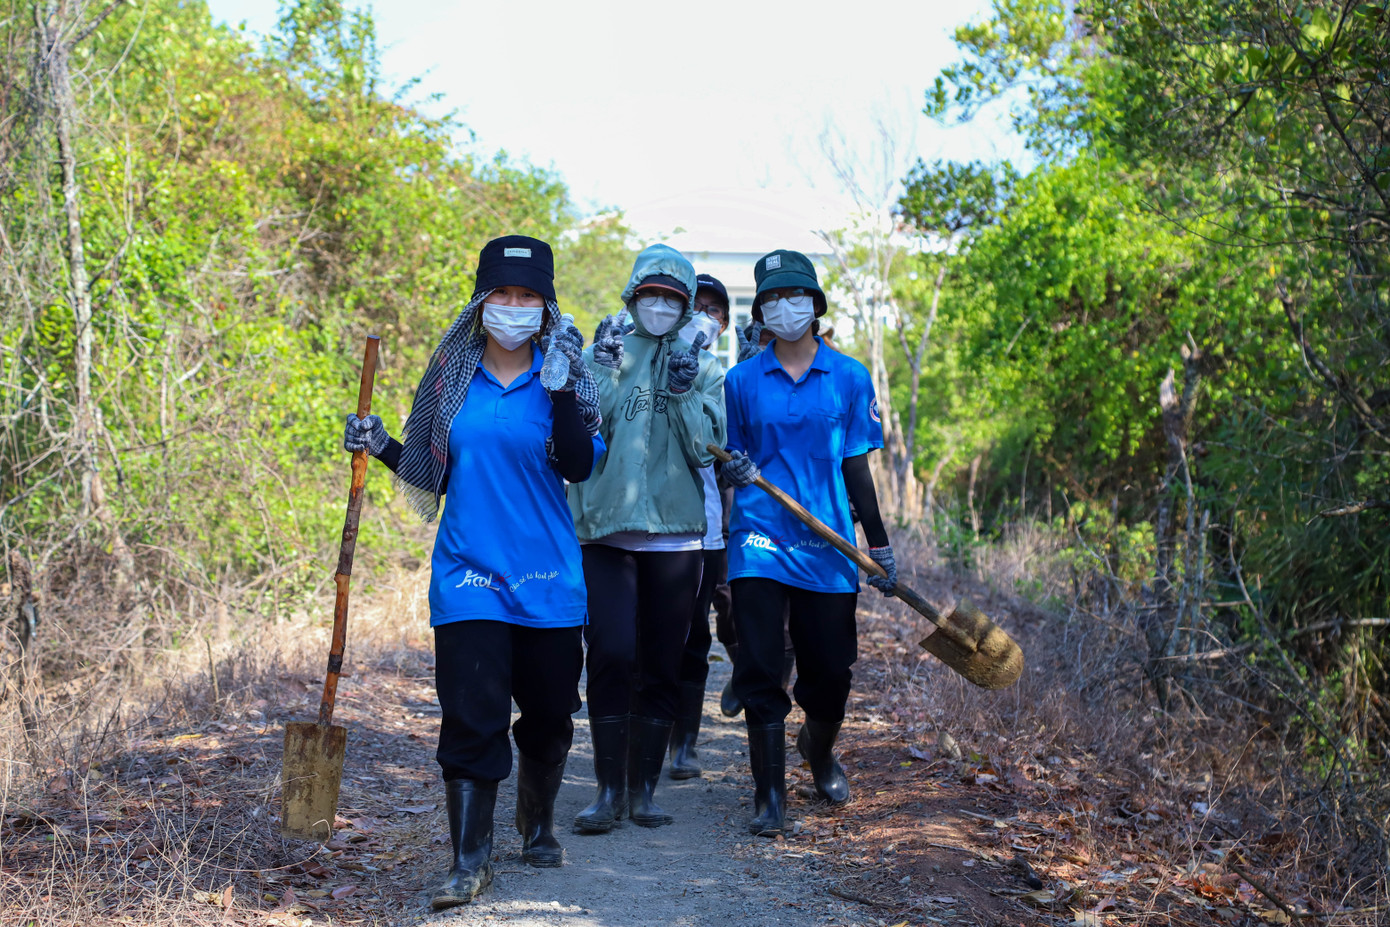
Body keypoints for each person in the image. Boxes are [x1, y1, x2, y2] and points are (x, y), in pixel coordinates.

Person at [342, 236, 604, 909]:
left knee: (548, 714)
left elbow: (578, 464)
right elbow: (434, 470)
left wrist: (567, 388)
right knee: (470, 716)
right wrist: (379, 442)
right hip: (468, 576)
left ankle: (537, 821)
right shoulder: (451, 377)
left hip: (548, 582)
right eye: (502, 294)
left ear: (545, 306)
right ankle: (468, 860)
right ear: (482, 300)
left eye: (528, 297)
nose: (513, 307)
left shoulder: (567, 372)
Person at [721, 249, 898, 838]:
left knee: (830, 672)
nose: (784, 306)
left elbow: (856, 468)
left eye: (794, 295)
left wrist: (880, 546)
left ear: (816, 305)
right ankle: (769, 796)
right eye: (771, 298)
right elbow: (726, 461)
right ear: (760, 312)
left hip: (828, 545)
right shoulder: (741, 381)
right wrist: (734, 472)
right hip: (759, 539)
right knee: (762, 663)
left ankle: (819, 749)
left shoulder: (848, 377)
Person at [567, 244, 727, 831]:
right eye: (650, 294)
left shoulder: (705, 364)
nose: (659, 305)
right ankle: (607, 791)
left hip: (677, 539)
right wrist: (603, 374)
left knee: (662, 663)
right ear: (632, 295)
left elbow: (703, 450)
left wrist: (685, 390)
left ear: (686, 306)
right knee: (610, 653)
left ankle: (643, 791)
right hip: (605, 532)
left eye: (671, 298)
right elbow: (587, 435)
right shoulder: (601, 352)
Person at [668, 274, 732, 779]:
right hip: (645, 526)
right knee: (646, 638)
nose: (705, 317)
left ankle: (684, 741)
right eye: (697, 306)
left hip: (705, 529)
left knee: (693, 636)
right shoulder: (639, 361)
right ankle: (645, 735)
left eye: (715, 310)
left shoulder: (721, 377)